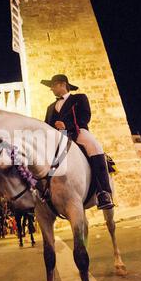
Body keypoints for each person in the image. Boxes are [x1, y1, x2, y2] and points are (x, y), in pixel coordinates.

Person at [42, 74, 113, 209]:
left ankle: (104, 191)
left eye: (53, 86)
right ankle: (46, 190)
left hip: (77, 132)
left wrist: (66, 126)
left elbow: (85, 116)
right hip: (58, 138)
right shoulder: (50, 107)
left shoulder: (79, 98)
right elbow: (47, 125)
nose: (51, 89)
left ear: (62, 84)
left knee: (94, 146)